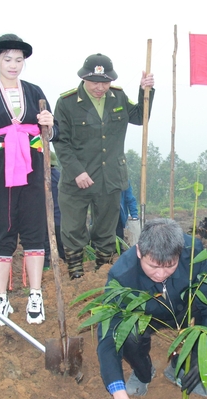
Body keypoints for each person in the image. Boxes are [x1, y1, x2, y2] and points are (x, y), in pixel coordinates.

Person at [96, 218, 207, 399]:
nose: (160, 274)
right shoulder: (121, 276)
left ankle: (182, 366)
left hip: (185, 310)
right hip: (145, 319)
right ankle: (143, 372)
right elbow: (108, 340)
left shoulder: (193, 252)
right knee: (127, 335)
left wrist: (204, 356)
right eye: (153, 266)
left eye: (169, 266)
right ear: (139, 251)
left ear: (179, 254)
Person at [0, 34, 57, 327]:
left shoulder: (35, 92)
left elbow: (48, 134)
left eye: (19, 60)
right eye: (8, 59)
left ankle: (35, 295)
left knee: (34, 231)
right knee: (3, 231)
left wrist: (49, 126)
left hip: (33, 171)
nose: (14, 65)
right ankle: (0, 299)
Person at [54, 54, 154, 279]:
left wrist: (145, 90)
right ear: (84, 79)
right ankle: (76, 274)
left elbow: (140, 117)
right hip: (77, 178)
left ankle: (103, 271)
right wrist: (77, 171)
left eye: (105, 82)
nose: (100, 87)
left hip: (110, 177)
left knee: (106, 228)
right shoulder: (67, 103)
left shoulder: (118, 97)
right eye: (95, 82)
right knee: (72, 228)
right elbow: (61, 142)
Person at [44, 152, 65, 269]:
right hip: (59, 219)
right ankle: (66, 267)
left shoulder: (41, 177)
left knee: (45, 247)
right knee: (62, 247)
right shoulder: (59, 175)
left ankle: (46, 269)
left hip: (47, 219)